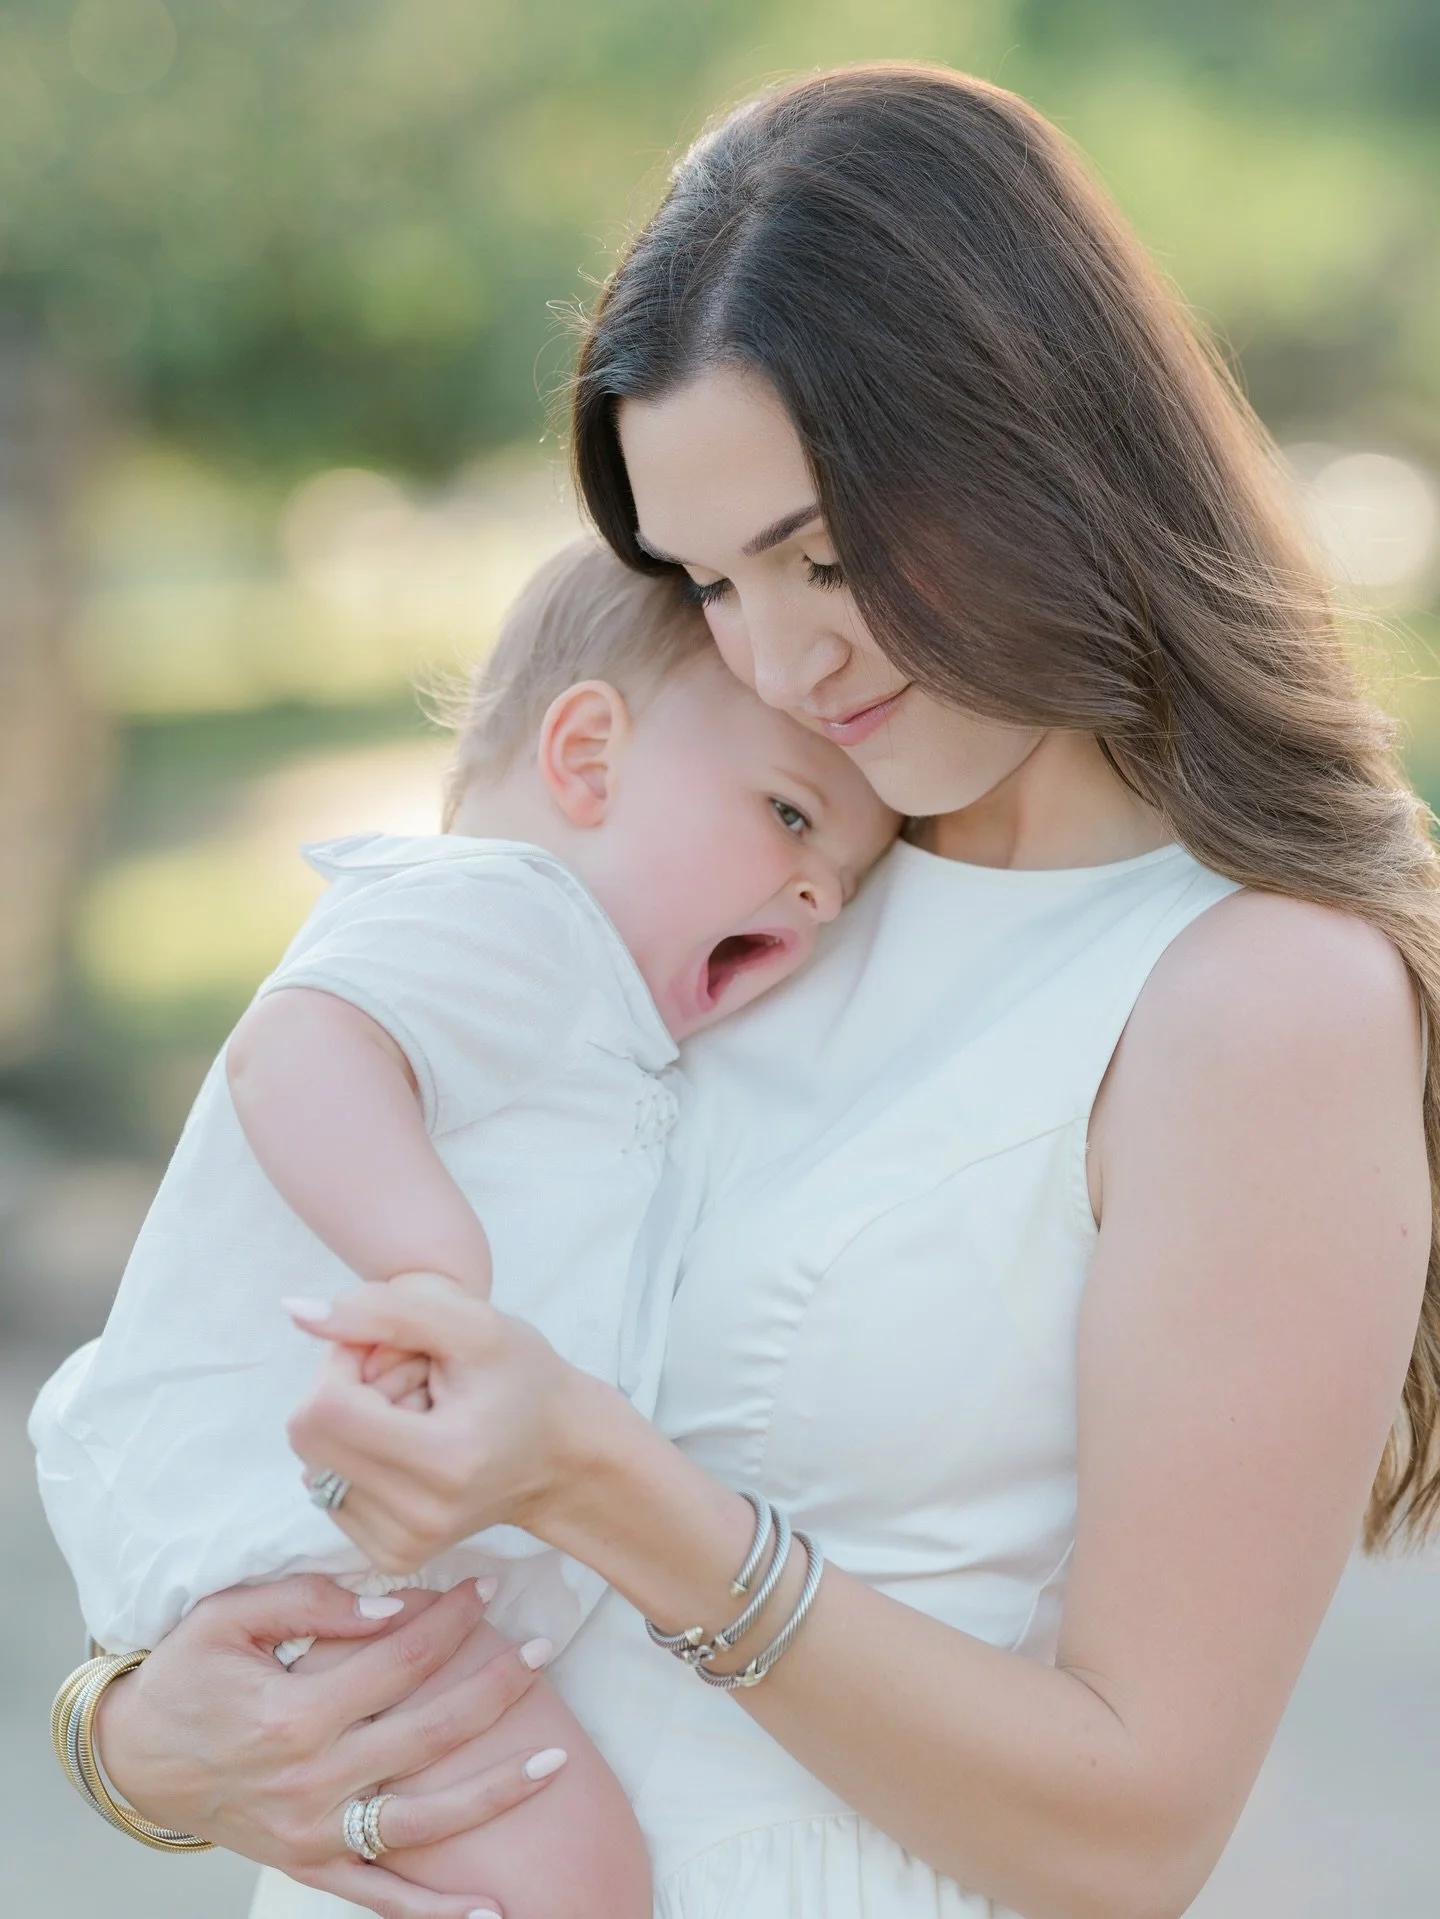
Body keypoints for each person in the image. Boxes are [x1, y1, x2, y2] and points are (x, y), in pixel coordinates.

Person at [45, 64, 1439, 1919]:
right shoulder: (737, 873)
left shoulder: (1258, 996)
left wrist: (606, 1488)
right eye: (708, 580)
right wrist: (135, 1736)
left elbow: (1133, 1833)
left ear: (1041, 439)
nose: (787, 655)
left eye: (828, 553)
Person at [32, 538, 896, 1919]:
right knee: (571, 1871)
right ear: (586, 756)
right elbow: (300, 1044)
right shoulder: (509, 910)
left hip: (353, 1567)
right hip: (310, 1546)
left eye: (850, 874)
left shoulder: (593, 1007)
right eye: (793, 817)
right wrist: (437, 1266)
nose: (822, 893)